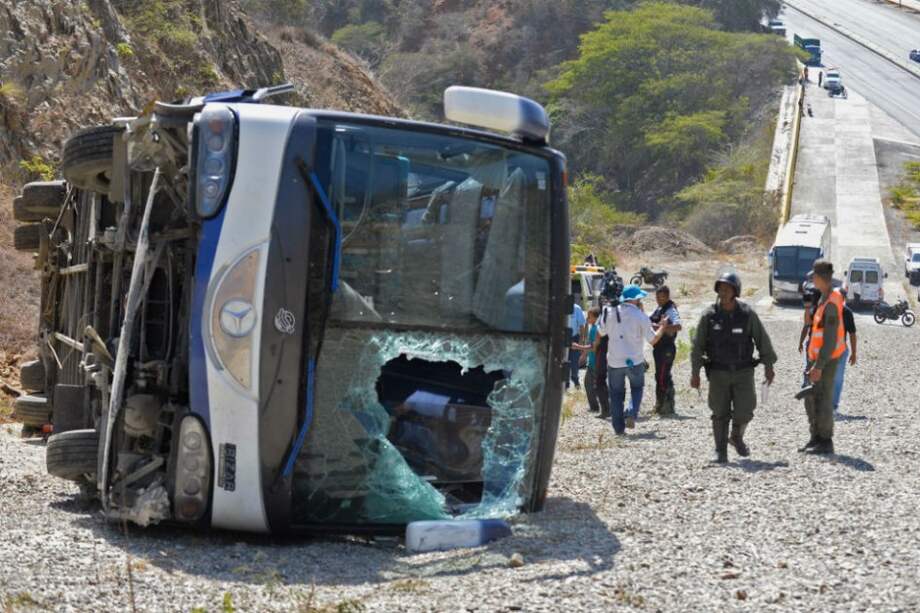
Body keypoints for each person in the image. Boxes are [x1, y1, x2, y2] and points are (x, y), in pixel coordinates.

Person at [691, 271, 777, 464]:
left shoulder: (747, 314)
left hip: (743, 372)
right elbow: (697, 347)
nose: (723, 292)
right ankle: (720, 451)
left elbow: (762, 340)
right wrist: (695, 373)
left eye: (727, 288)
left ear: (735, 291)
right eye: (720, 288)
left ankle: (736, 436)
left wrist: (769, 366)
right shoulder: (709, 316)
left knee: (746, 409)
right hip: (718, 372)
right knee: (719, 412)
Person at [596, 285, 666, 434]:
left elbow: (601, 332)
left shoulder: (609, 311)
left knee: (615, 394)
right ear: (635, 299)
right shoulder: (640, 316)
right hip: (635, 361)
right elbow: (653, 340)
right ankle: (631, 412)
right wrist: (663, 327)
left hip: (614, 361)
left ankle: (619, 429)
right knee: (637, 388)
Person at [800, 260, 846, 454]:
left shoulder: (831, 304)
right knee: (811, 398)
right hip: (816, 360)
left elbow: (829, 340)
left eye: (814, 277)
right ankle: (815, 437)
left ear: (820, 278)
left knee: (823, 399)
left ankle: (825, 441)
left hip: (826, 361)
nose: (812, 280)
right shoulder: (824, 299)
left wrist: (818, 366)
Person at [649, 286, 682, 415]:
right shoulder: (659, 308)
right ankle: (662, 404)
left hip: (667, 349)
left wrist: (660, 327)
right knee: (660, 376)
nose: (658, 300)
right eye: (657, 297)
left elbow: (678, 326)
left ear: (667, 297)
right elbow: (649, 320)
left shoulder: (670, 310)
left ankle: (665, 406)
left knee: (662, 377)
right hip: (658, 348)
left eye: (661, 297)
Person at [572, 307, 609, 417]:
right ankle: (600, 406)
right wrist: (584, 355)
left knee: (592, 384)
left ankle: (596, 407)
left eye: (589, 316)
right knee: (594, 384)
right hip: (594, 361)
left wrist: (578, 347)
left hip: (595, 362)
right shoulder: (594, 327)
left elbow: (593, 347)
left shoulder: (595, 329)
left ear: (596, 317)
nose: (587, 318)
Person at [833, 290, 858, 414]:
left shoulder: (847, 313)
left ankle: (833, 406)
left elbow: (852, 334)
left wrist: (854, 353)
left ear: (843, 299)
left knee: (838, 379)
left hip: (841, 351)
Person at [567, 302, 586, 390]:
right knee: (563, 361)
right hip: (562, 338)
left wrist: (581, 342)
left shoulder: (577, 308)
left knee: (574, 361)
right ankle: (565, 384)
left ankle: (575, 380)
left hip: (574, 337)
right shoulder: (558, 306)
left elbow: (582, 326)